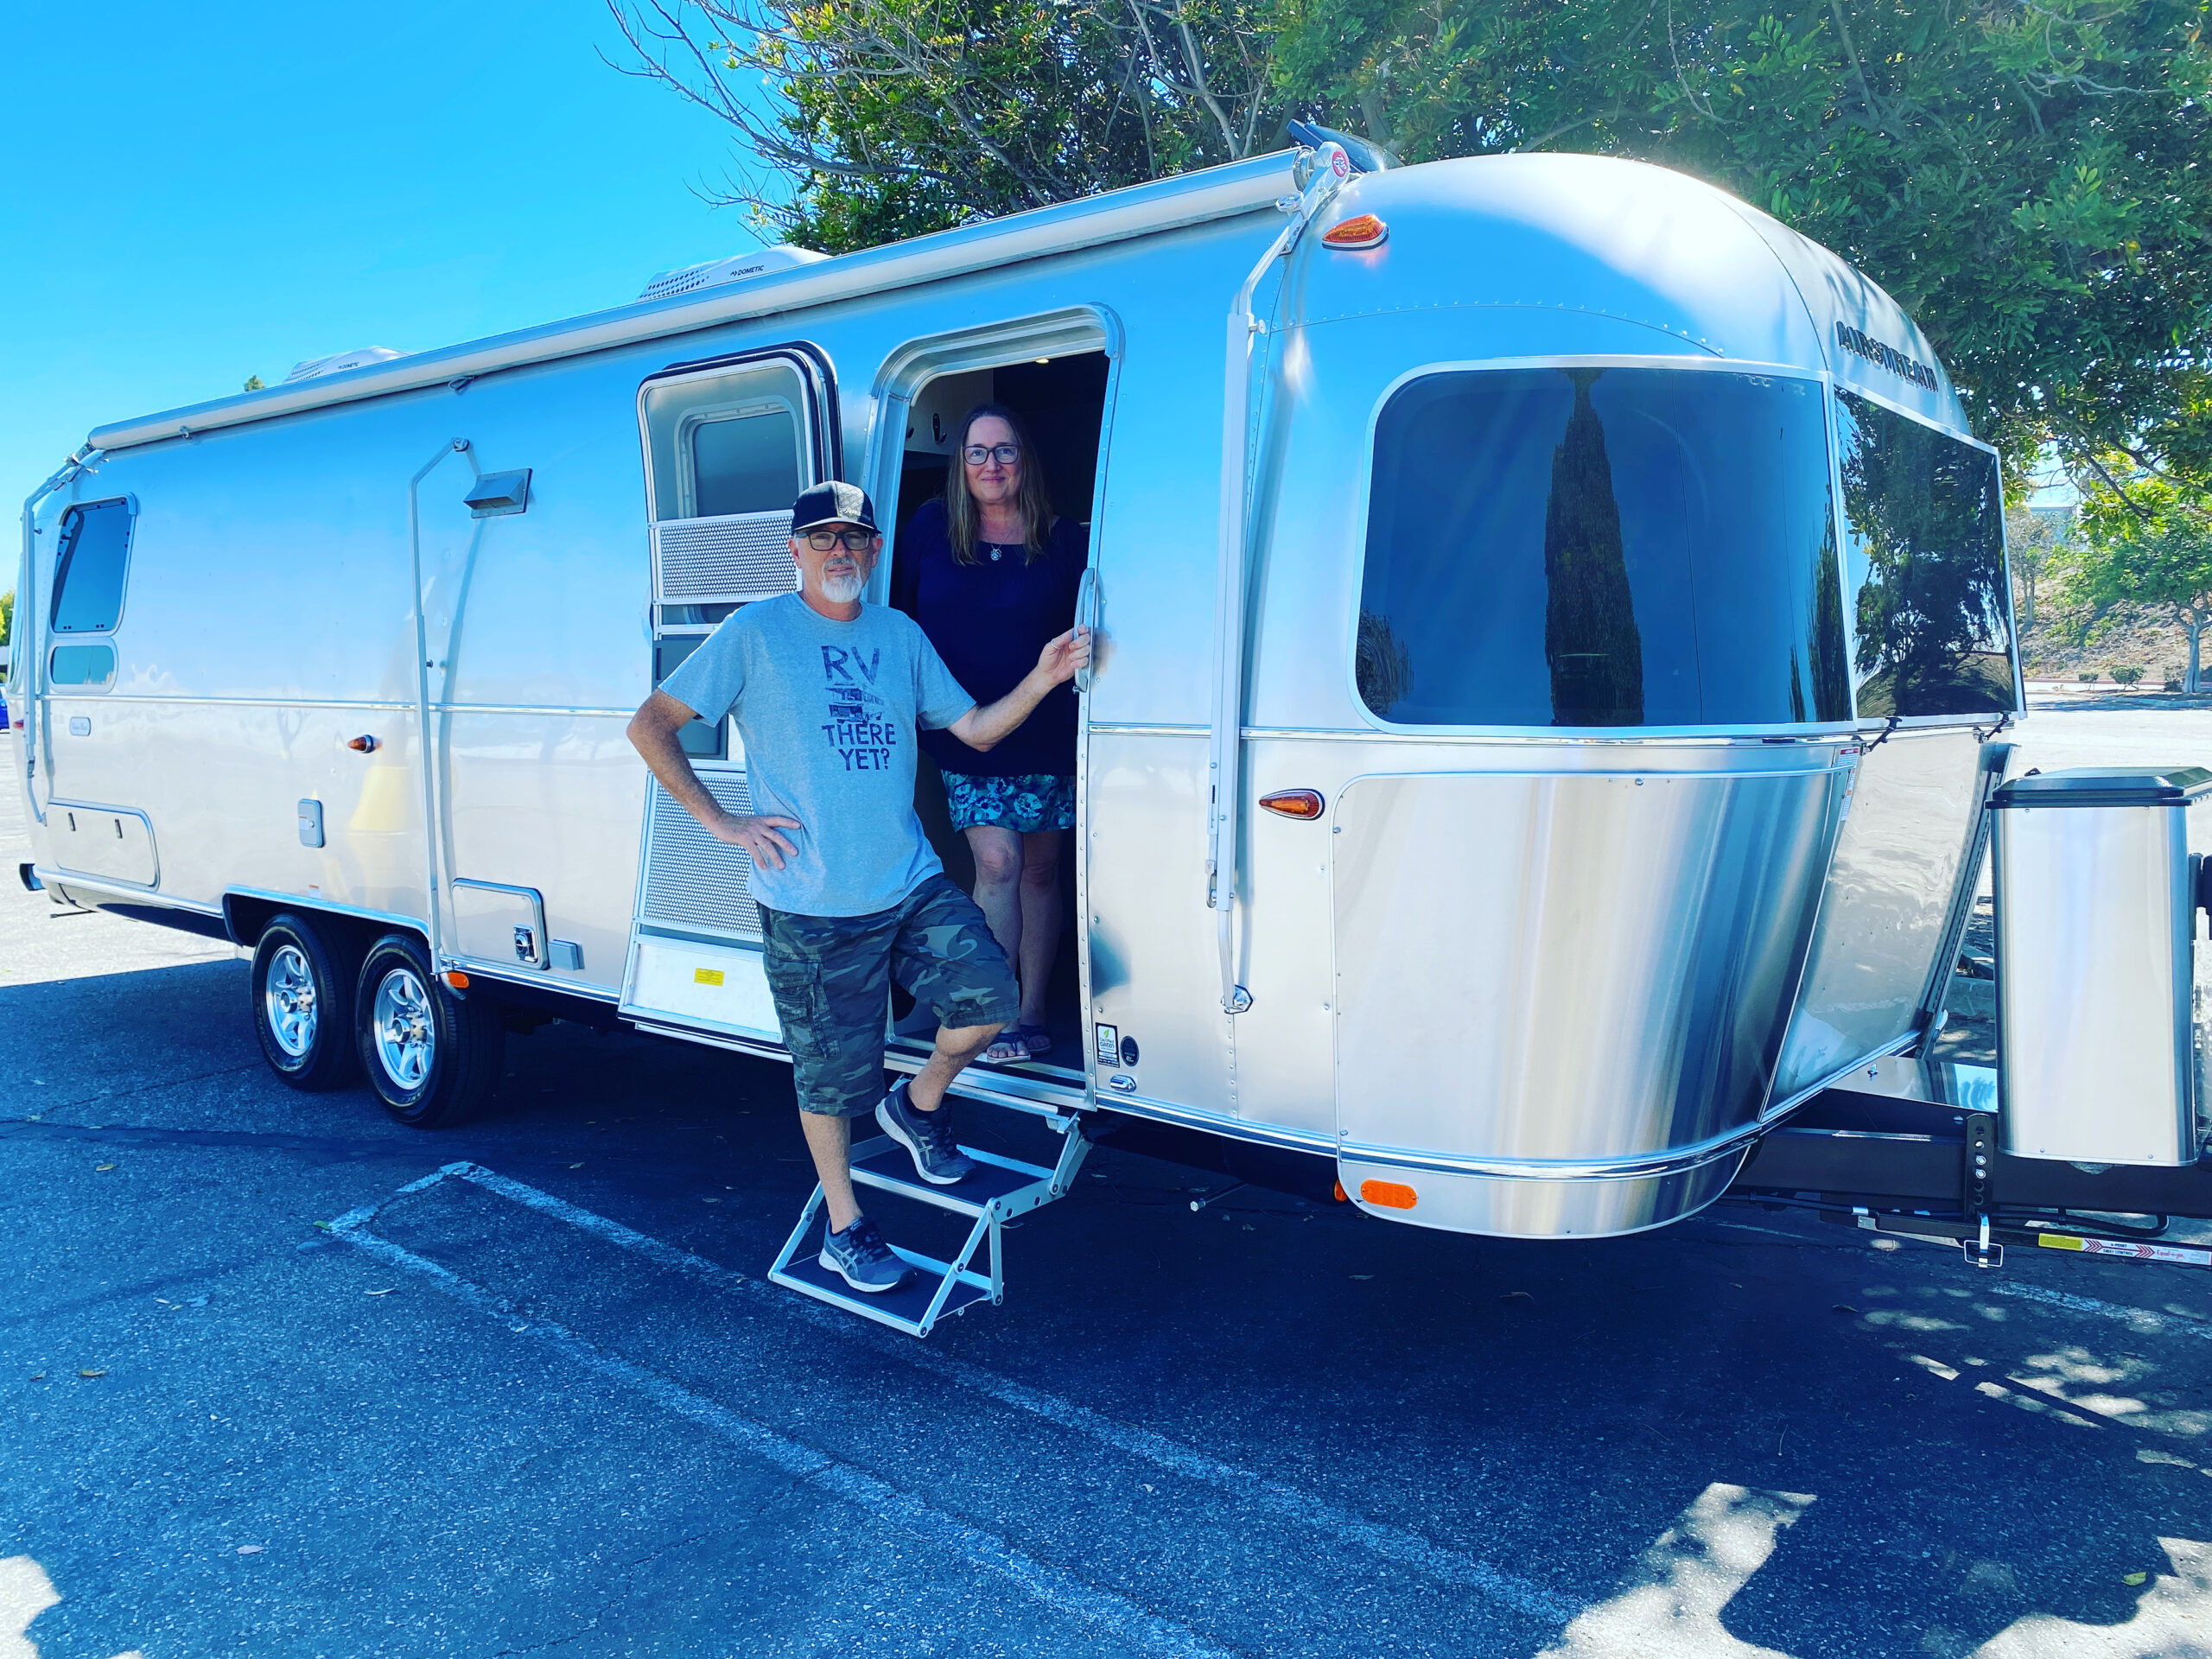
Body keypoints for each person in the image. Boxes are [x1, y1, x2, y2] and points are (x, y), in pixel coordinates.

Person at [626, 480, 1090, 1294]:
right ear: (795, 550)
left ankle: (917, 1105)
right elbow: (651, 724)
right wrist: (725, 823)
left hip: (906, 881)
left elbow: (973, 727)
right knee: (832, 1078)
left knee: (990, 1000)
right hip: (809, 901)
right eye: (823, 539)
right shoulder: (755, 633)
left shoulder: (899, 635)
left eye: (855, 539)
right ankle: (847, 1227)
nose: (840, 552)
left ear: (876, 552)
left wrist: (1045, 678)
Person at [892, 404, 1088, 1063]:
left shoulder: (1063, 541)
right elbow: (899, 621)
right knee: (998, 863)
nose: (991, 464)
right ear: (961, 465)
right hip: (966, 729)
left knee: (1040, 870)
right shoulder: (931, 529)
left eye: (1004, 451)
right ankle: (995, 1016)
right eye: (977, 452)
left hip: (1048, 730)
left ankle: (1032, 1013)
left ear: (1023, 460)